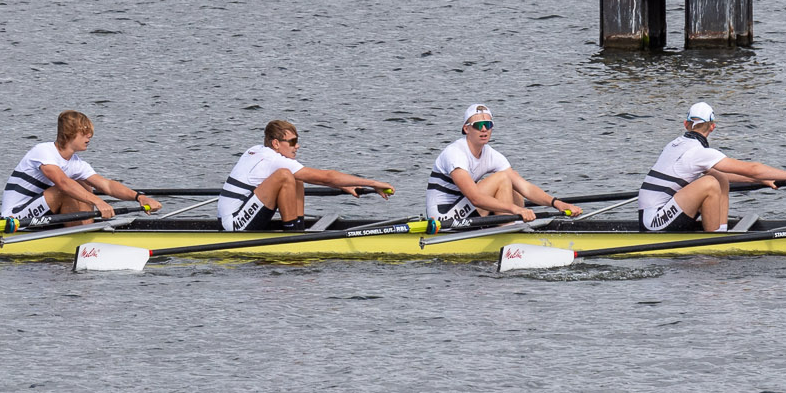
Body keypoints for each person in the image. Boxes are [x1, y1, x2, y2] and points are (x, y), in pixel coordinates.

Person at [637, 101, 786, 233]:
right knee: (710, 183)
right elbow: (752, 167)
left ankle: (720, 230)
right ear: (712, 127)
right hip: (653, 222)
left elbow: (733, 174)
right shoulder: (698, 152)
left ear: (686, 124)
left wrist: (762, 179)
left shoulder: (675, 144)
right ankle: (716, 239)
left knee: (719, 177)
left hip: (657, 213)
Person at [218, 119, 395, 232]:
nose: (297, 146)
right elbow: (327, 176)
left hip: (239, 213)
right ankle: (293, 236)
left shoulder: (256, 150)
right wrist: (372, 183)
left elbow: (318, 177)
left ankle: (297, 229)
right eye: (292, 142)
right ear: (276, 143)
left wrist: (341, 184)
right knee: (286, 176)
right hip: (234, 225)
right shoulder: (273, 161)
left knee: (297, 176)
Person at [425, 104, 581, 227]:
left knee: (513, 178)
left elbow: (525, 187)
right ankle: (507, 231)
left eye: (488, 124)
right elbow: (476, 199)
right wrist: (515, 209)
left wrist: (558, 203)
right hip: (443, 219)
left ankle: (513, 226)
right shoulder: (455, 153)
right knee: (502, 178)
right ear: (466, 129)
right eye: (478, 125)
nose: (484, 129)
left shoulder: (491, 154)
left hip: (464, 211)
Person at [0, 110, 160, 227]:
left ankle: (84, 233)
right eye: (84, 132)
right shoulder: (43, 151)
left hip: (41, 214)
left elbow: (107, 185)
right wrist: (98, 201)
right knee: (67, 188)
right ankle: (83, 237)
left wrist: (139, 197)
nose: (89, 136)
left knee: (85, 186)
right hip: (15, 218)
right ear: (69, 134)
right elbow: (62, 183)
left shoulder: (76, 163)